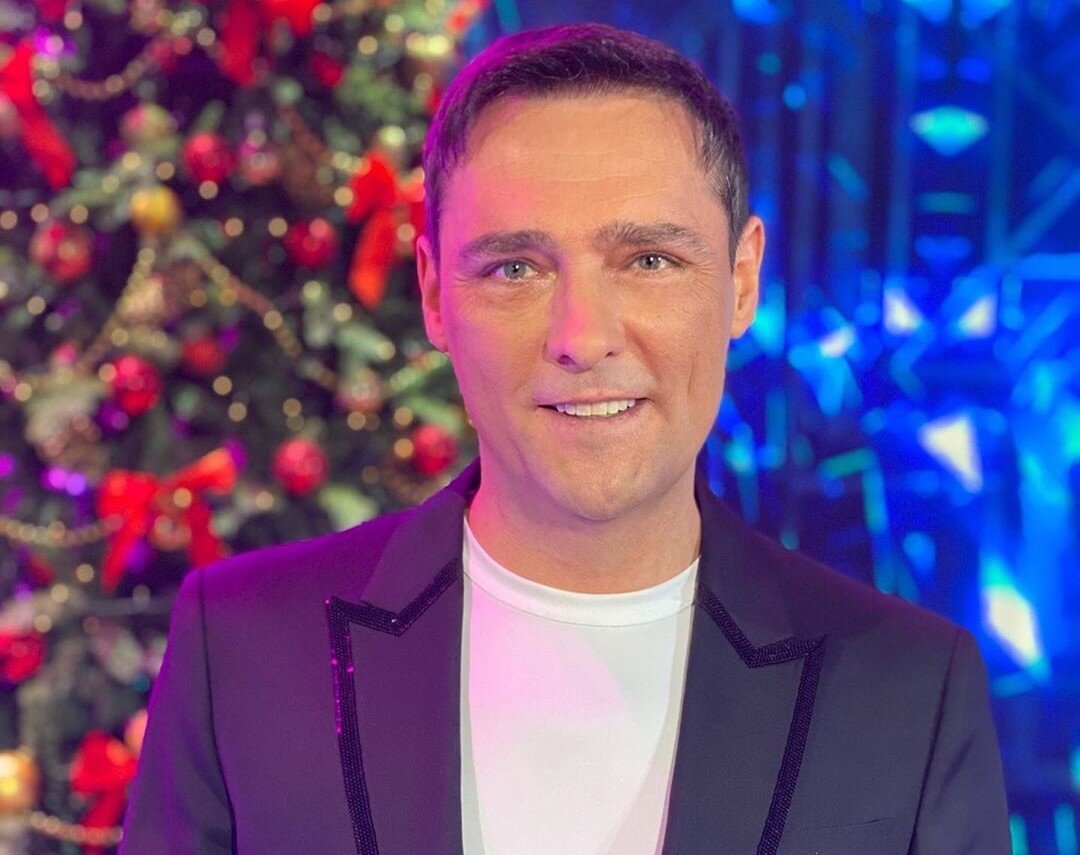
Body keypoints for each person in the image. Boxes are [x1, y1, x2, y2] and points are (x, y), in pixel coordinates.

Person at [119, 22, 1011, 855]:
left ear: (741, 281)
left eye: (650, 260)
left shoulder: (910, 692)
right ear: (433, 294)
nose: (583, 336)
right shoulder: (243, 651)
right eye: (516, 267)